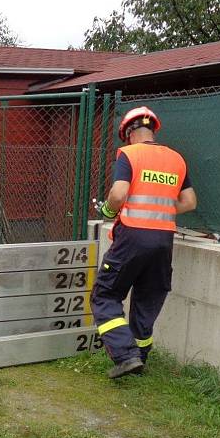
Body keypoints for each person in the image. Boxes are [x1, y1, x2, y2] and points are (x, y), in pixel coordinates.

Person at [91, 106, 197, 379]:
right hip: (163, 239)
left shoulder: (129, 154)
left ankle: (126, 356)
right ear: (153, 130)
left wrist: (109, 211)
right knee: (147, 300)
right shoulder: (176, 159)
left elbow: (118, 193)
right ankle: (139, 360)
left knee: (105, 295)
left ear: (128, 133)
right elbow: (189, 202)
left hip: (132, 236)